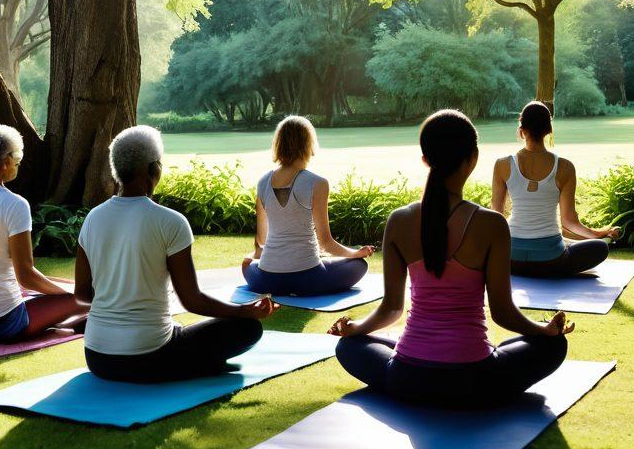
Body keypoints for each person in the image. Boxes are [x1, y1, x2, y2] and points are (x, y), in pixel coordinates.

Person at [330, 109, 573, 410]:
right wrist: (543, 329)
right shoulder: (492, 224)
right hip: (475, 381)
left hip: (408, 378)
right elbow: (503, 314)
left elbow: (392, 309)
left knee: (349, 346)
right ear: (473, 158)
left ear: (425, 160)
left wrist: (354, 329)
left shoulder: (399, 220)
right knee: (553, 345)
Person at [75, 125, 277, 383]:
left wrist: (115, 310)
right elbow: (191, 300)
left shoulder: (93, 219)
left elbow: (82, 295)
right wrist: (244, 311)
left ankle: (194, 361)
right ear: (152, 169)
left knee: (182, 333)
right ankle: (200, 365)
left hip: (98, 357)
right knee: (247, 329)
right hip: (150, 355)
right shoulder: (170, 221)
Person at [0, 125, 85, 342]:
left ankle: (62, 317)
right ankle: (78, 321)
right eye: (16, 157)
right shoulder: (15, 205)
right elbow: (26, 276)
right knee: (85, 297)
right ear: (6, 162)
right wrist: (64, 293)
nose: (18, 162)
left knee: (56, 290)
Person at [241, 115, 374, 297]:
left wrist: (253, 259)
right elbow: (326, 243)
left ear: (278, 144)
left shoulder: (263, 182)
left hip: (267, 280)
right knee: (359, 265)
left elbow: (261, 243)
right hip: (308, 279)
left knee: (247, 264)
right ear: (308, 145)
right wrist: (354, 253)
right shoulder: (317, 183)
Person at [492, 100, 621, 278]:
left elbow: (496, 217)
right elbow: (569, 222)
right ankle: (556, 259)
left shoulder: (502, 165)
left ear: (522, 130)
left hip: (510, 260)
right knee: (600, 248)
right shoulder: (565, 167)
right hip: (550, 261)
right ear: (548, 130)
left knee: (561, 243)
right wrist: (599, 234)